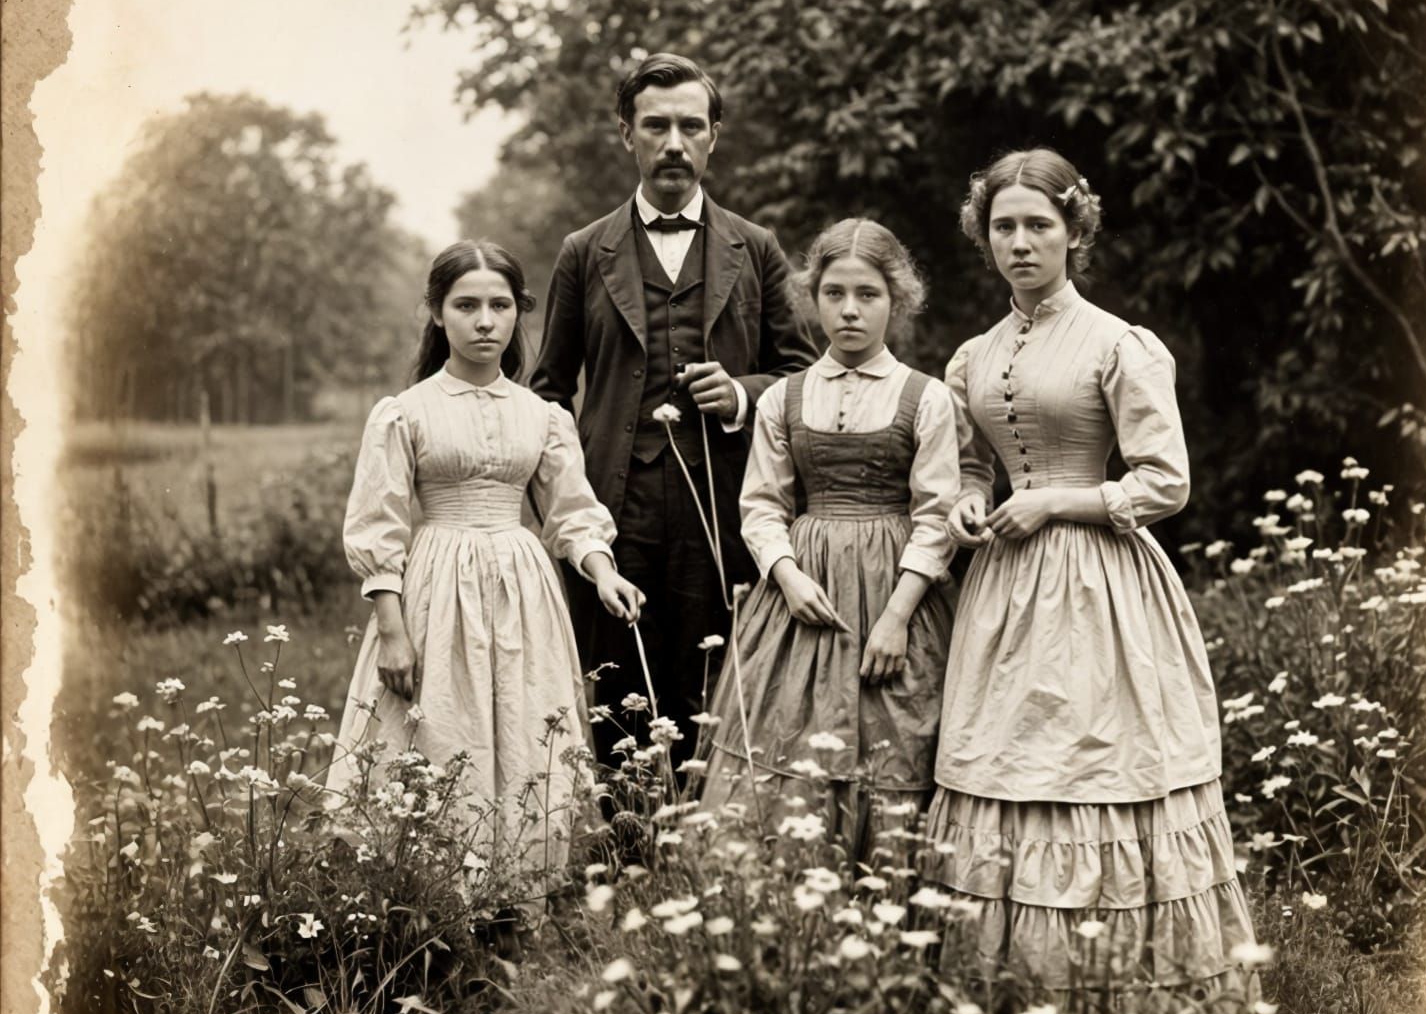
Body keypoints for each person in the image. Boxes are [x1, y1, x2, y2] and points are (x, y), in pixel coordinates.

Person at [924, 149, 1256, 992]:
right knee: (1009, 760)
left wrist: (1055, 504)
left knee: (1097, 758)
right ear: (983, 236)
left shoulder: (1119, 344)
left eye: (1040, 225)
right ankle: (1010, 987)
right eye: (1004, 227)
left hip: (1101, 580)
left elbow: (1165, 482)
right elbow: (970, 468)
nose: (1022, 243)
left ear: (1075, 232)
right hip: (1005, 586)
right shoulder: (970, 357)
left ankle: (1121, 985)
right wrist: (972, 502)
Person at [530, 53, 817, 765]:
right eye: (655, 126)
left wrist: (743, 396)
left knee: (714, 688)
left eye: (691, 125)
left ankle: (704, 848)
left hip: (723, 510)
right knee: (615, 691)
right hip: (612, 510)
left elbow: (807, 377)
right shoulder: (581, 252)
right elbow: (546, 392)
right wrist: (565, 512)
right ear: (625, 133)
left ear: (714, 135)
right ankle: (623, 855)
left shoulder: (756, 250)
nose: (673, 143)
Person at [331, 240, 644, 888]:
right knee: (443, 725)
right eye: (465, 305)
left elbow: (570, 512)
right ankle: (435, 892)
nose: (484, 321)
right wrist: (393, 630)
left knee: (523, 723)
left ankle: (517, 888)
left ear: (519, 313)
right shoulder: (405, 413)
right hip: (437, 587)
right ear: (436, 313)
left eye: (500, 305)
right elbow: (378, 523)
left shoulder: (542, 416)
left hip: (522, 588)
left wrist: (602, 569)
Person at [698, 219, 959, 865]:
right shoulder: (784, 398)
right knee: (786, 732)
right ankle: (779, 907)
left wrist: (898, 616)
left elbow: (937, 514)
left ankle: (884, 902)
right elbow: (761, 505)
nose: (849, 310)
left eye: (867, 294)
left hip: (894, 591)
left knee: (892, 734)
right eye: (834, 293)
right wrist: (785, 574)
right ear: (812, 298)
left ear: (895, 300)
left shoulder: (926, 398)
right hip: (798, 596)